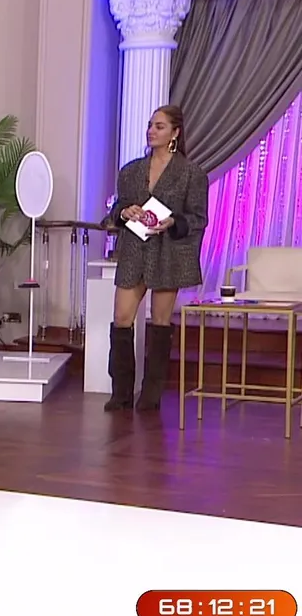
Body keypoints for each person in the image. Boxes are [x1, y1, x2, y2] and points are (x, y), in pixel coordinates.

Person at [103, 104, 208, 412]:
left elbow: (198, 218)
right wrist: (125, 212)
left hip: (167, 253)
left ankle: (151, 395)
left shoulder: (191, 173)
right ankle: (121, 393)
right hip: (134, 249)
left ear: (175, 133)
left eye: (159, 126)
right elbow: (117, 209)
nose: (151, 131)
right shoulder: (130, 171)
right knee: (122, 318)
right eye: (150, 125)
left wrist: (173, 221)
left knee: (160, 322)